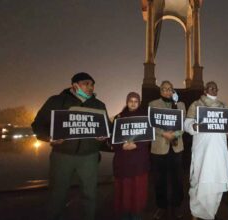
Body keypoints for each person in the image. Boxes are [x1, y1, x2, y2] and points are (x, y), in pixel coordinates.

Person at [31, 72, 109, 220]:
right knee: (57, 194)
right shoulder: (55, 101)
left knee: (90, 194)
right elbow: (37, 125)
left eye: (92, 84)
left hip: (89, 157)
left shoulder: (99, 105)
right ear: (75, 85)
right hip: (62, 156)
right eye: (87, 83)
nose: (91, 87)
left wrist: (103, 137)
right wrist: (49, 137)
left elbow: (107, 128)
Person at [184, 81, 228, 220]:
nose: (213, 89)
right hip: (202, 150)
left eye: (215, 88)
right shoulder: (196, 104)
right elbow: (186, 123)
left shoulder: (224, 106)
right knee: (199, 180)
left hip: (219, 151)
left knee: (217, 181)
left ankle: (211, 213)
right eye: (210, 87)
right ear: (205, 89)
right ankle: (196, 212)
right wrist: (193, 126)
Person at [148, 81, 186, 219]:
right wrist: (164, 134)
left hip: (176, 148)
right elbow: (151, 123)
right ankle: (161, 206)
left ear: (173, 91)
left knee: (178, 179)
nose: (167, 91)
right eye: (164, 89)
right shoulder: (153, 104)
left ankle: (178, 205)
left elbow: (183, 123)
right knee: (159, 180)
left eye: (169, 89)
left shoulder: (180, 105)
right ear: (160, 91)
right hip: (159, 148)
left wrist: (174, 135)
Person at [112, 92, 151, 220]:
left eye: (136, 101)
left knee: (137, 193)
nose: (133, 103)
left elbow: (148, 138)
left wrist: (137, 145)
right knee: (124, 194)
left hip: (139, 163)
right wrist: (121, 146)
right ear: (127, 102)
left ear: (139, 103)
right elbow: (113, 139)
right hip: (123, 163)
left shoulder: (145, 118)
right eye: (131, 100)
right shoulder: (119, 118)